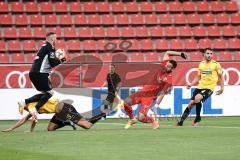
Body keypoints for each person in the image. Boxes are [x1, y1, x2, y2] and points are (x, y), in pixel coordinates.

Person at [123, 51, 187, 129]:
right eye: (166, 64)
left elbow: (163, 93)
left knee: (141, 118)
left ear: (172, 69)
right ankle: (132, 119)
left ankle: (153, 120)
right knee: (126, 103)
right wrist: (180, 54)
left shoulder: (168, 79)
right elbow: (167, 53)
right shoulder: (163, 65)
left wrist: (156, 106)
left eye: (168, 66)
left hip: (149, 97)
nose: (166, 66)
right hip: (142, 92)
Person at [18, 32, 66, 121]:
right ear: (52, 39)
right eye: (55, 38)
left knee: (45, 93)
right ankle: (34, 109)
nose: (56, 40)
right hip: (40, 73)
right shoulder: (50, 47)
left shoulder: (43, 47)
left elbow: (49, 60)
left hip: (33, 73)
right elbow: (52, 63)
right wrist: (62, 59)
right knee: (50, 93)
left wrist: (57, 57)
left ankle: (24, 102)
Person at [176, 48, 224, 126]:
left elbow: (221, 76)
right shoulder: (201, 64)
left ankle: (198, 117)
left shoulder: (216, 64)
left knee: (197, 98)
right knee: (191, 103)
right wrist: (191, 84)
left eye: (211, 54)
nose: (209, 55)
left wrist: (222, 88)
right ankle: (181, 122)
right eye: (208, 53)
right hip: (200, 87)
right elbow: (198, 77)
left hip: (209, 88)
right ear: (204, 54)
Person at [2, 99, 106, 132]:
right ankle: (67, 122)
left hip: (64, 109)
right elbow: (26, 119)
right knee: (50, 128)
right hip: (59, 112)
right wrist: (11, 129)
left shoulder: (31, 106)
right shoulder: (31, 106)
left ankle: (102, 113)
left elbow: (30, 120)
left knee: (87, 126)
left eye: (22, 108)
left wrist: (30, 130)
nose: (23, 110)